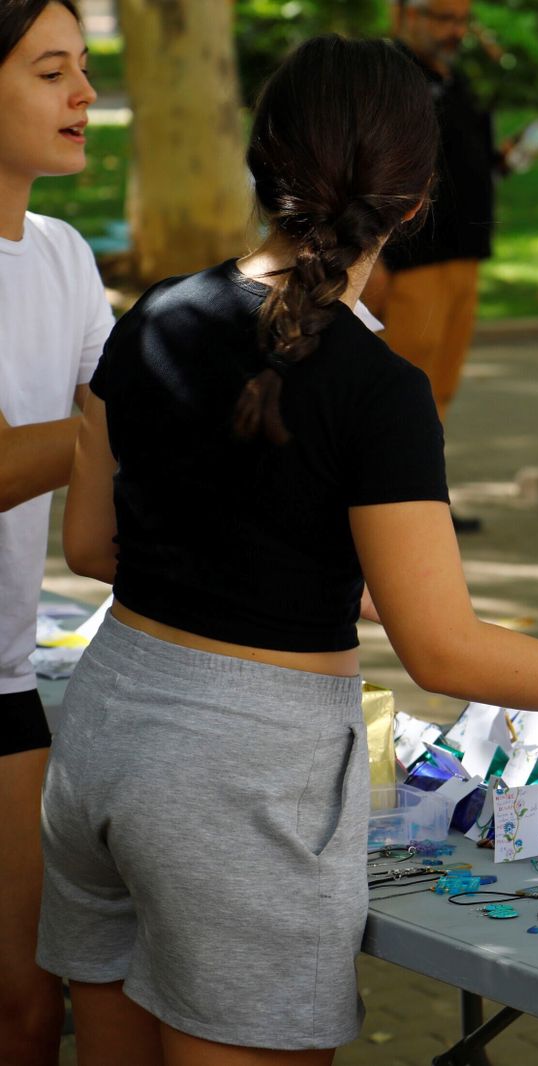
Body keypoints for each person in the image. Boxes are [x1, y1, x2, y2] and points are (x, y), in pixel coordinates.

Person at [42, 36, 538, 1063]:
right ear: (413, 205)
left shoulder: (151, 317)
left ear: (263, 165)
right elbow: (443, 653)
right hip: (239, 783)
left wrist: (293, 559)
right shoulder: (378, 388)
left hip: (105, 731)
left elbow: (97, 543)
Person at [0, 4, 108, 1061]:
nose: (86, 97)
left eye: (83, 68)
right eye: (50, 71)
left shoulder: (65, 254)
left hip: (6, 680)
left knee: (27, 1004)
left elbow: (109, 494)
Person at [367, 0, 498, 533]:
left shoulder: (456, 81)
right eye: (441, 17)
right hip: (411, 263)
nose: (454, 30)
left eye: (461, 18)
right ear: (403, 14)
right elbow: (370, 166)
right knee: (397, 396)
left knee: (438, 391)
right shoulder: (386, 77)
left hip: (462, 258)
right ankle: (375, 512)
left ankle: (421, 504)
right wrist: (373, 256)